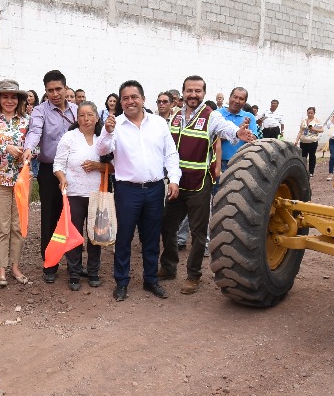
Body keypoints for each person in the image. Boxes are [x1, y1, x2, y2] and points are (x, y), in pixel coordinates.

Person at [160, 76, 255, 294]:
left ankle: (193, 275)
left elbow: (226, 129)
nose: (193, 95)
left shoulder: (211, 116)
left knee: (198, 233)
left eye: (198, 91)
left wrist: (238, 133)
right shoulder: (174, 116)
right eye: (189, 91)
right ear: (182, 93)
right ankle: (169, 266)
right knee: (167, 226)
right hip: (176, 184)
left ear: (204, 93)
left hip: (198, 185)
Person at [95, 81, 178, 302]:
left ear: (143, 99)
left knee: (151, 237)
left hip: (154, 189)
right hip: (127, 190)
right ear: (121, 102)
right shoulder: (115, 124)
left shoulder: (159, 123)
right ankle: (121, 282)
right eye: (125, 98)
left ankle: (151, 279)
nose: (130, 101)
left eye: (134, 97)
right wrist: (107, 131)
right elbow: (101, 150)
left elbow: (170, 153)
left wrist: (174, 179)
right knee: (124, 237)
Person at [24, 69, 77, 283]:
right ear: (45, 91)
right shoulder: (40, 111)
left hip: (74, 171)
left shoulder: (77, 110)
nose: (55, 94)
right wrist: (28, 148)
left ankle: (74, 264)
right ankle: (50, 262)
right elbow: (35, 131)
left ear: (65, 88)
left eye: (58, 89)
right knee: (49, 217)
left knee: (73, 216)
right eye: (50, 90)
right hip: (49, 171)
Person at [0, 79, 32, 288]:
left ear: (18, 99)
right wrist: (6, 147)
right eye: (5, 96)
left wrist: (29, 153)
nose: (9, 100)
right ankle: (0, 269)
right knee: (1, 226)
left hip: (21, 179)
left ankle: (15, 266)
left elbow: (34, 147)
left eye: (13, 97)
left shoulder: (27, 121)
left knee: (19, 226)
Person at [54, 101, 104, 290]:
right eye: (82, 115)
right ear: (77, 118)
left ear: (97, 117)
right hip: (74, 193)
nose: (86, 119)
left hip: (97, 194)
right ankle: (74, 272)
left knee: (95, 236)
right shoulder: (69, 137)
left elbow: (115, 166)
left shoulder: (103, 139)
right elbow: (57, 164)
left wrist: (98, 166)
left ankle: (93, 271)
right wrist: (62, 178)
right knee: (73, 235)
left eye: (90, 115)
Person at [216, 87, 259, 172]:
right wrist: (238, 132)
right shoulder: (217, 114)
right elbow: (212, 139)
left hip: (242, 163)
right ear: (229, 97)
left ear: (245, 102)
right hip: (219, 163)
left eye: (241, 99)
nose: (237, 101)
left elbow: (254, 139)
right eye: (235, 97)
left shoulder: (250, 117)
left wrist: (247, 134)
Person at [294, 107, 323, 175]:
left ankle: (311, 171)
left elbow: (321, 130)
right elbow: (300, 131)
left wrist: (314, 129)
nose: (310, 114)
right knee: (303, 156)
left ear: (314, 113)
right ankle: (303, 170)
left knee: (312, 156)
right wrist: (296, 140)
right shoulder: (304, 121)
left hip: (312, 141)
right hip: (303, 141)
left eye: (311, 113)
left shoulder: (317, 121)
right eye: (308, 113)